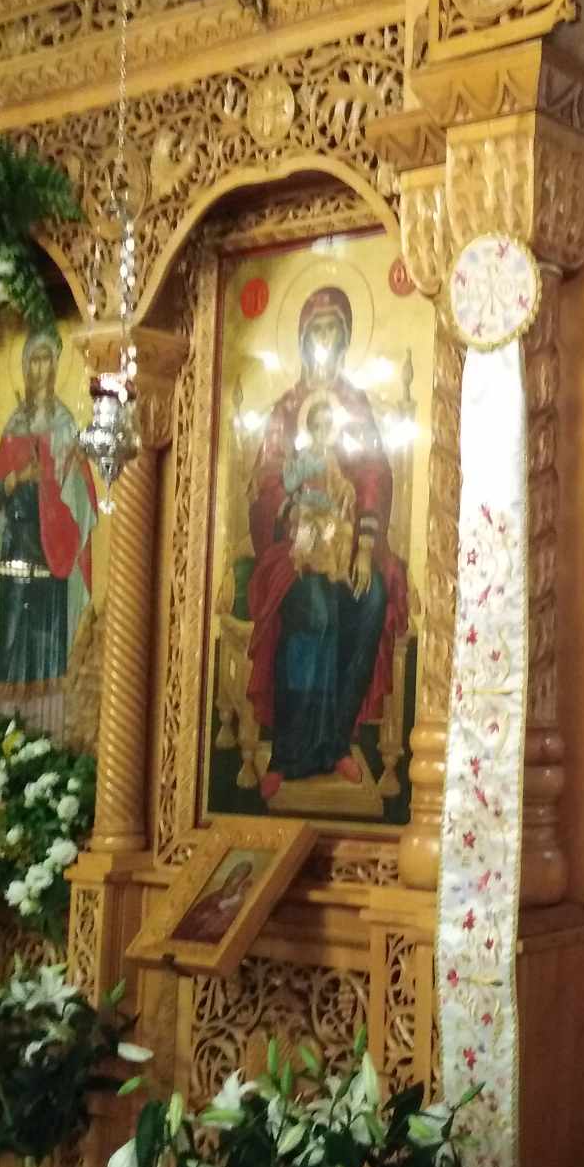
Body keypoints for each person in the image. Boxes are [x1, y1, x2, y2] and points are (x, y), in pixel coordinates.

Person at [244, 286, 410, 799]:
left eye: (332, 331)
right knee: (314, 611)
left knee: (372, 598)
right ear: (302, 340)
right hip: (294, 548)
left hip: (347, 542)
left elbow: (374, 476)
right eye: (315, 331)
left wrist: (362, 546)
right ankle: (288, 752)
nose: (323, 341)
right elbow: (267, 480)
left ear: (343, 340)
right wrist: (292, 510)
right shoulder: (286, 408)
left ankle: (338, 740)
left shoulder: (355, 404)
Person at [0, 327, 98, 739]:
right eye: (34, 360)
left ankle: (49, 733)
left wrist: (71, 469)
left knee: (48, 639)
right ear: (25, 367)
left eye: (47, 359)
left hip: (52, 551)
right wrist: (17, 479)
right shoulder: (14, 425)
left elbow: (82, 496)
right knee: (12, 635)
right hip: (16, 548)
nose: (41, 369)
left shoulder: (66, 424)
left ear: (56, 366)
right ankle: (4, 729)